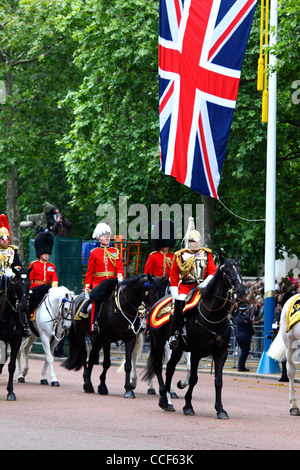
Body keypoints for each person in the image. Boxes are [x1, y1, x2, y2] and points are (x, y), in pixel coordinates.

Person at [168, 217, 217, 350]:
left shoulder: (207, 254)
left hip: (203, 288)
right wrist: (174, 294)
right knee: (180, 304)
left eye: (197, 241)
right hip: (186, 288)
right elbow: (173, 277)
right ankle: (175, 334)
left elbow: (213, 272)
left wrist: (205, 283)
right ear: (188, 243)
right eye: (192, 242)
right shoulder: (180, 255)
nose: (196, 244)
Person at [84, 222, 124, 333]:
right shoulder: (94, 253)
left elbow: (119, 268)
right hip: (99, 283)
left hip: (113, 282)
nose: (107, 237)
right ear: (98, 238)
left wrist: (120, 277)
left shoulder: (115, 252)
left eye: (108, 235)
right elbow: (90, 273)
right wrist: (87, 288)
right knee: (96, 301)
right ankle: (94, 324)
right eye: (103, 235)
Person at [0, 214, 31, 337]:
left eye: (7, 238)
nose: (5, 241)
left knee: (22, 296)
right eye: (2, 239)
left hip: (10, 275)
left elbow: (17, 264)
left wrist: (16, 269)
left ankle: (24, 325)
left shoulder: (13, 250)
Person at [235, 302, 255, 372]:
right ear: (246, 310)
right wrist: (253, 332)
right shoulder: (246, 318)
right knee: (244, 352)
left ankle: (241, 366)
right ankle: (241, 366)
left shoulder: (237, 317)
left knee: (243, 351)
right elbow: (250, 327)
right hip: (245, 336)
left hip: (238, 336)